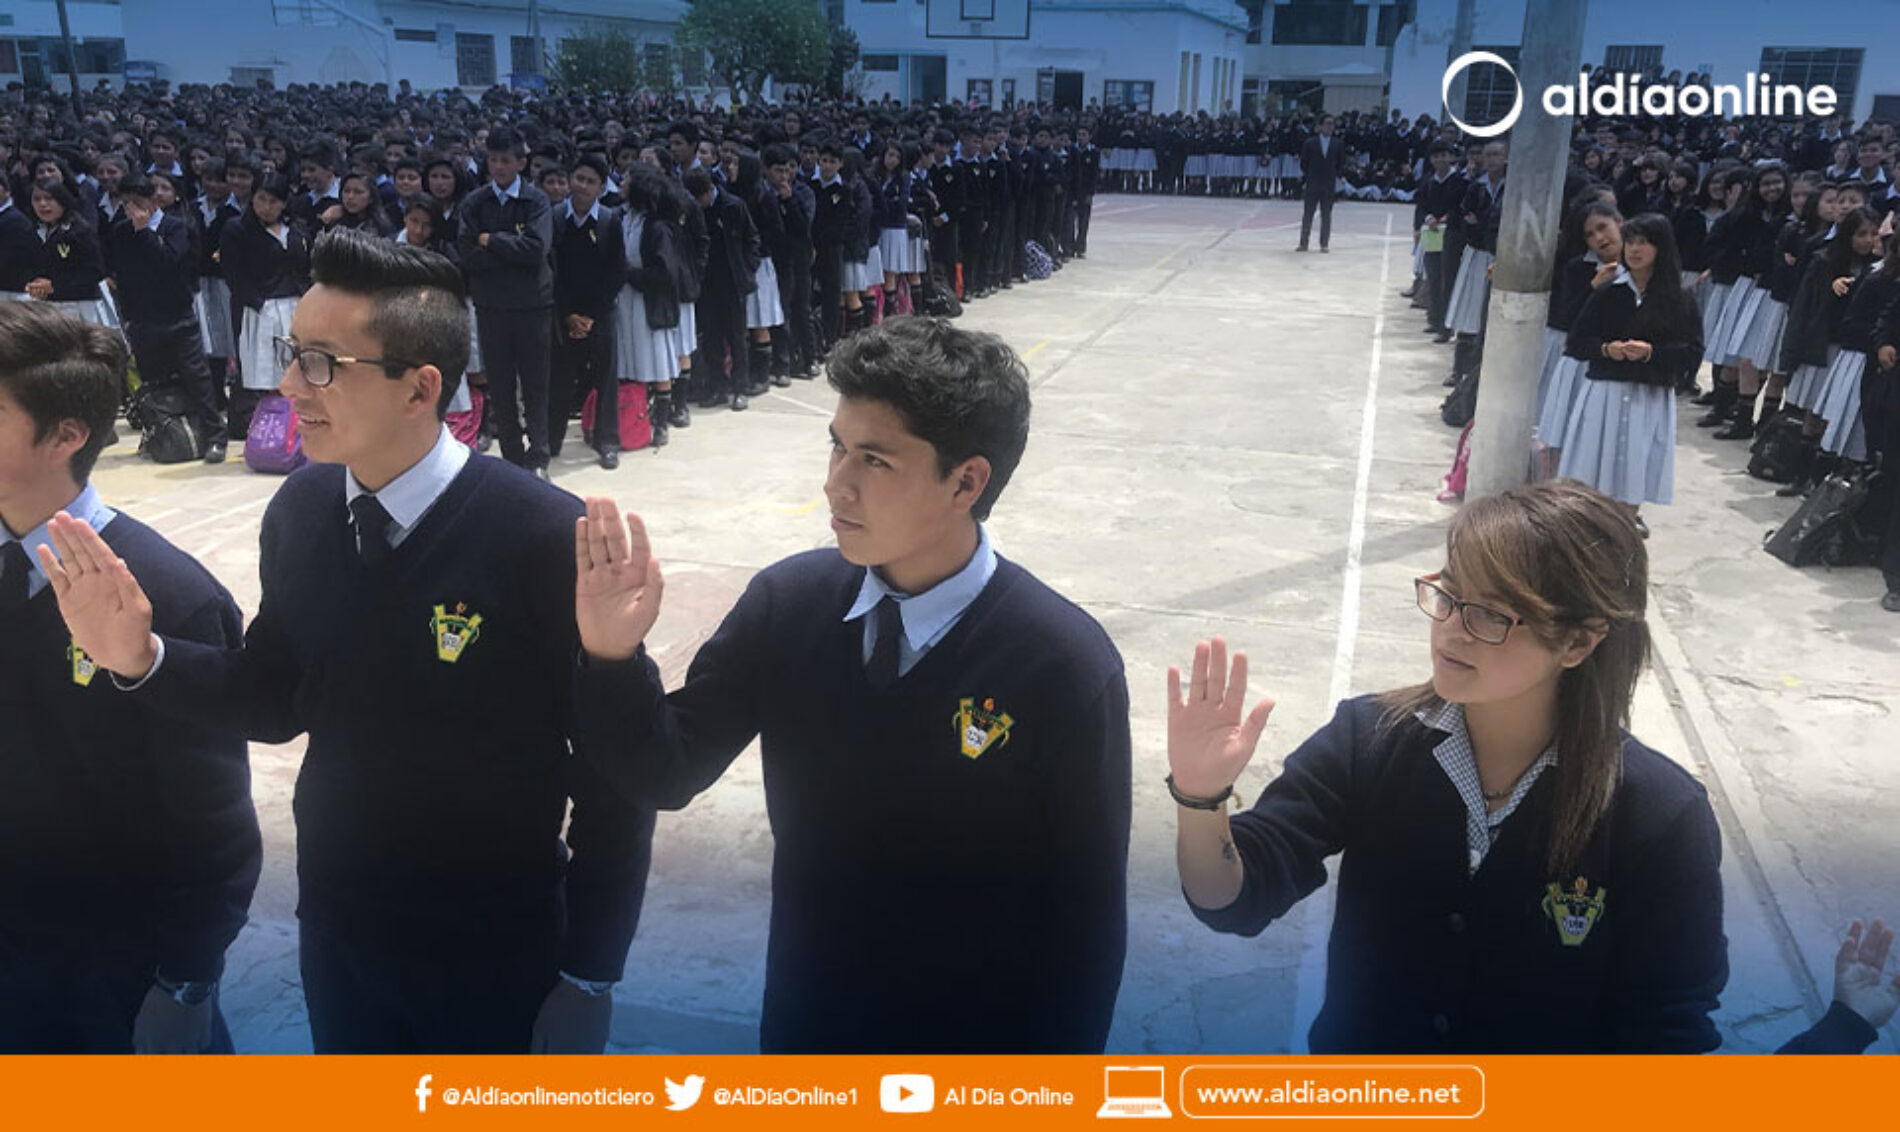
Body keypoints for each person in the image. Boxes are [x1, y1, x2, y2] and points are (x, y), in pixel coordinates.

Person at [37, 229, 656, 1055]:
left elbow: (617, 780)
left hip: (498, 948)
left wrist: (589, 975)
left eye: (322, 363)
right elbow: (277, 695)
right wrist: (143, 660)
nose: (289, 384)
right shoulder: (303, 510)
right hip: (341, 933)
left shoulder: (542, 536)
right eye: (293, 354)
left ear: (419, 388)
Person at [570, 317, 1131, 1054]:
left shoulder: (1062, 665)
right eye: (837, 446)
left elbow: (1085, 930)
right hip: (810, 1031)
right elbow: (666, 771)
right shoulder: (789, 607)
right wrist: (612, 656)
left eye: (875, 459)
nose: (836, 483)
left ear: (966, 481)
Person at [1170, 480, 1726, 1053]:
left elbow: (1666, 1031)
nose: (1452, 629)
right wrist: (1199, 798)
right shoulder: (1369, 740)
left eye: (1490, 614)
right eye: (1449, 595)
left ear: (1577, 643)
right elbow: (1235, 899)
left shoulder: (1659, 814)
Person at [0, 301, 260, 1053]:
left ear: (67, 436)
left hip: (115, 972)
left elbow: (213, 822)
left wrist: (185, 982)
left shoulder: (169, 598)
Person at [1558, 213, 1703, 535]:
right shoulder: (1609, 291)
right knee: (1593, 462)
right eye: (1631, 242)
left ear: (1661, 248)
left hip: (1647, 395)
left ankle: (1625, 524)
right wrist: (1606, 349)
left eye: (1644, 243)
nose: (1635, 250)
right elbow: (1576, 342)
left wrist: (1652, 353)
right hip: (1606, 392)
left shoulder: (1678, 298)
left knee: (1634, 465)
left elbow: (1692, 354)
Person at [457, 126, 556, 477]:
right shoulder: (475, 202)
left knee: (535, 382)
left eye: (506, 160)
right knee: (500, 385)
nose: (499, 167)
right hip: (492, 307)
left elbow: (536, 250)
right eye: (493, 160)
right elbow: (468, 253)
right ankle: (512, 456)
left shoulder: (535, 201)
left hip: (532, 306)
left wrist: (492, 241)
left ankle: (539, 455)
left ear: (521, 163)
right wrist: (508, 249)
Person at [108, 175, 227, 463]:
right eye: (126, 203)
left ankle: (216, 436)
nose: (132, 209)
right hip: (142, 320)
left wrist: (143, 232)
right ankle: (159, 434)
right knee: (153, 383)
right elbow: (121, 272)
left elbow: (168, 264)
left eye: (138, 202)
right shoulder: (121, 231)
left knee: (196, 378)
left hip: (177, 317)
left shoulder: (176, 227)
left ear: (154, 200)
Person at [220, 173, 311, 444]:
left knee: (298, 369)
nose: (267, 206)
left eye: (273, 201)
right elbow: (233, 273)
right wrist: (256, 303)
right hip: (261, 307)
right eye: (261, 199)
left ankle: (297, 429)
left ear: (284, 203)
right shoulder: (237, 229)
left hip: (296, 304)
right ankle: (260, 431)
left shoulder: (297, 228)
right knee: (263, 372)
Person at [549, 155, 624, 468]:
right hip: (564, 314)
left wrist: (591, 316)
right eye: (579, 178)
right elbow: (551, 271)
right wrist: (568, 315)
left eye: (591, 182)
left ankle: (608, 442)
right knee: (560, 378)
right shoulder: (555, 218)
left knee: (606, 378)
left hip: (600, 314)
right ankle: (550, 441)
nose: (583, 186)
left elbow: (616, 273)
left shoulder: (609, 221)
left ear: (602, 188)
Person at [1298, 115, 1342, 253]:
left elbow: (1341, 162)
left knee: (1326, 215)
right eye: (1327, 124)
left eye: (1332, 124)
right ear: (1320, 126)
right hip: (1313, 182)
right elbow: (1304, 162)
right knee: (1308, 214)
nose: (1330, 127)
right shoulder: (1310, 143)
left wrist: (1333, 174)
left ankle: (1324, 243)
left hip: (1328, 183)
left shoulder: (1337, 143)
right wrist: (1310, 175)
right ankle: (1303, 243)